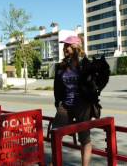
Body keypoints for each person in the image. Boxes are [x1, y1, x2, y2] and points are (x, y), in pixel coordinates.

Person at [52, 36, 93, 166]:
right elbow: (56, 87)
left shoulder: (86, 65)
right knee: (55, 133)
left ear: (76, 47)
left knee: (84, 139)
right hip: (66, 105)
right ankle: (56, 162)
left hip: (82, 107)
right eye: (64, 46)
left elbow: (93, 85)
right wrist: (58, 103)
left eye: (67, 46)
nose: (64, 48)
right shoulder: (61, 66)